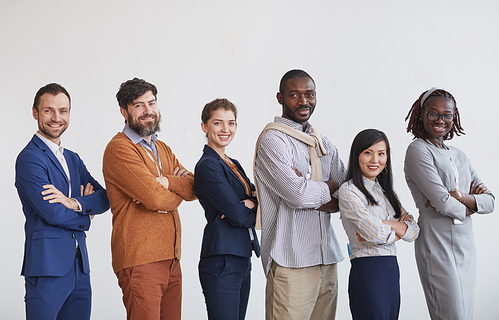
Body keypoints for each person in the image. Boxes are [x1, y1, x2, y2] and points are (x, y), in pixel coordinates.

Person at [254, 69, 346, 320]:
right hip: (291, 259)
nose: (304, 101)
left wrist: (308, 186)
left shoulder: (321, 142)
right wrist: (326, 187)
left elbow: (347, 193)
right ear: (280, 97)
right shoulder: (273, 140)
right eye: (294, 95)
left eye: (310, 94)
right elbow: (298, 196)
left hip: (326, 257)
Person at [102, 78, 196, 320]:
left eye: (151, 103)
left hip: (171, 258)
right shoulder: (119, 149)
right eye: (139, 105)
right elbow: (154, 198)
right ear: (124, 111)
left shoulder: (161, 148)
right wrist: (172, 193)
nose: (148, 111)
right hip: (140, 259)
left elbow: (195, 187)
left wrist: (166, 182)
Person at [15, 83, 110, 320]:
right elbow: (54, 213)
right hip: (47, 266)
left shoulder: (72, 158)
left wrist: (73, 202)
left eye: (63, 111)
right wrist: (86, 214)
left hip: (79, 265)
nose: (57, 118)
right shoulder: (30, 159)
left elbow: (105, 198)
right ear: (35, 113)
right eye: (48, 111)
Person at [404, 87, 495, 320]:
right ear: (421, 114)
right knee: (450, 315)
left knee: (464, 314)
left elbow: (490, 202)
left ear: (454, 118)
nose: (440, 120)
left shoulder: (460, 155)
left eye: (447, 115)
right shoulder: (418, 150)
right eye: (433, 113)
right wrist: (470, 204)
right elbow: (443, 203)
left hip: (466, 246)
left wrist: (462, 198)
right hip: (437, 243)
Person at [339, 129, 419, 320]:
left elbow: (415, 230)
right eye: (368, 152)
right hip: (368, 271)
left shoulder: (386, 194)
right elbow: (376, 235)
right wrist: (397, 227)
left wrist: (383, 224)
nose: (375, 159)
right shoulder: (349, 191)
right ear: (357, 155)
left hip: (391, 270)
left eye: (381, 153)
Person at [194, 98, 260, 320]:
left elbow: (259, 198)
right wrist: (246, 205)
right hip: (221, 258)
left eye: (231, 123)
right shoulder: (208, 165)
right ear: (205, 126)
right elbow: (238, 215)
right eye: (218, 123)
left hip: (242, 256)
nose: (226, 129)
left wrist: (251, 202)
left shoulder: (233, 163)